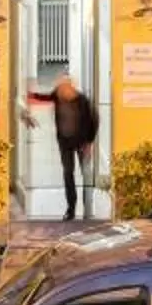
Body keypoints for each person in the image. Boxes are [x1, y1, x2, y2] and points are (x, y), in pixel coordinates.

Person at [24, 73, 101, 222]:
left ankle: (88, 209)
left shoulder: (82, 100)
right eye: (59, 88)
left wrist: (90, 142)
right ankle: (71, 209)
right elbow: (44, 97)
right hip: (65, 143)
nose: (60, 91)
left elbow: (94, 120)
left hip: (82, 143)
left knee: (86, 175)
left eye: (63, 87)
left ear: (70, 87)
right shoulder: (57, 96)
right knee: (68, 174)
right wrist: (30, 94)